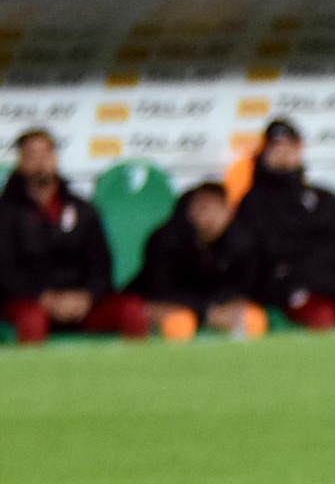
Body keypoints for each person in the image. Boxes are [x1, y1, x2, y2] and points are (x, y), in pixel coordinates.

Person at [0, 128, 147, 344]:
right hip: (29, 301)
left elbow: (101, 265)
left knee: (132, 311)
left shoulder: (83, 209)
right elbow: (5, 272)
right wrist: (43, 297)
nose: (40, 162)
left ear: (55, 158)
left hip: (81, 303)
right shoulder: (5, 213)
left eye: (46, 154)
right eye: (32, 155)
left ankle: (137, 374)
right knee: (31, 320)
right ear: (20, 162)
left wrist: (87, 296)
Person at [233, 118, 335, 330]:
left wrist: (304, 260)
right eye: (276, 146)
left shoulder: (324, 198)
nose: (283, 152)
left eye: (289, 145)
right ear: (264, 151)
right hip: (290, 288)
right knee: (321, 317)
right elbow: (267, 252)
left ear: (299, 148)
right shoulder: (252, 202)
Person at [134, 182, 267, 340]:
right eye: (204, 208)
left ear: (229, 211)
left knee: (253, 320)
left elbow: (244, 285)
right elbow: (161, 289)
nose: (210, 216)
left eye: (217, 209)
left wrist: (220, 307)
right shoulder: (166, 240)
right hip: (175, 305)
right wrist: (206, 312)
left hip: (220, 307)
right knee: (178, 324)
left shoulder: (242, 241)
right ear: (191, 210)